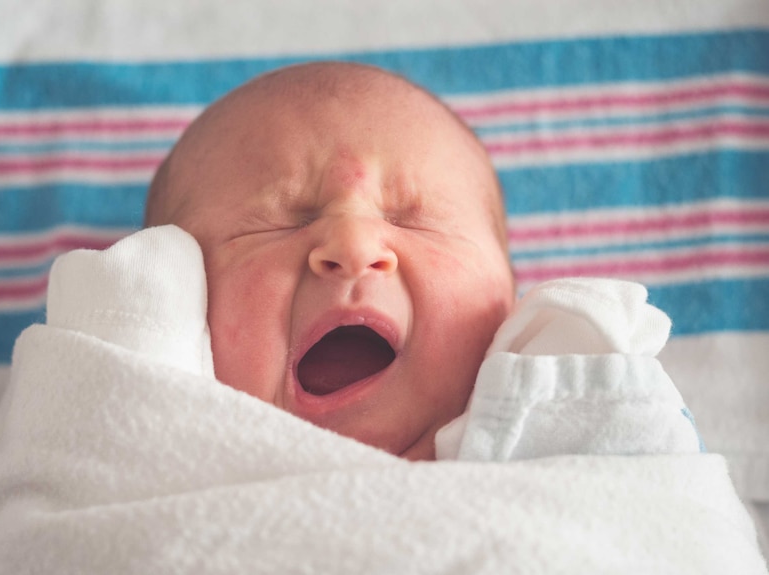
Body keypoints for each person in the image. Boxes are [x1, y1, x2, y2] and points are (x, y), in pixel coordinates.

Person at [141, 60, 700, 461]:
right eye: (278, 220)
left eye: (414, 219)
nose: (353, 248)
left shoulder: (592, 434)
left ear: (509, 305)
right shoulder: (128, 453)